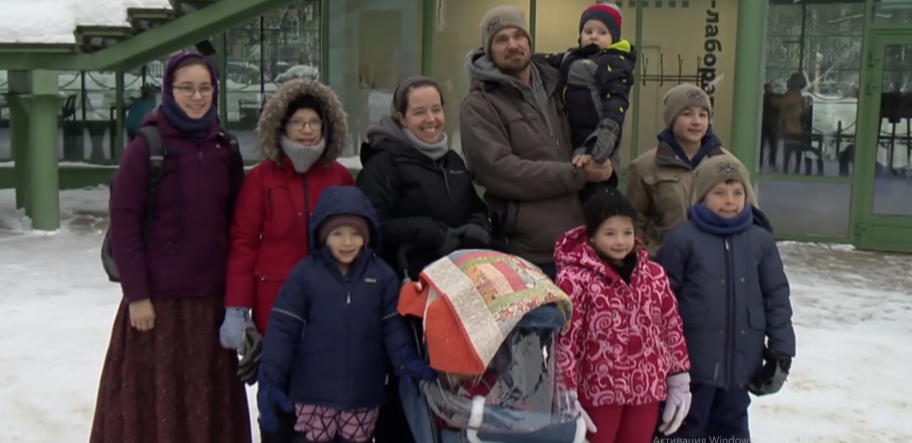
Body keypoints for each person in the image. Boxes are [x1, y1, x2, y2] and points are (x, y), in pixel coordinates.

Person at [90, 51, 250, 443]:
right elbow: (124, 225)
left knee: (207, 407)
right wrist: (137, 296)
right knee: (153, 408)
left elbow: (238, 225)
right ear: (169, 90)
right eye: (186, 88)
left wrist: (236, 301)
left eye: (205, 88)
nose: (197, 97)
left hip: (210, 306)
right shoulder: (147, 146)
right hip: (157, 310)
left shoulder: (224, 146)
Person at [356, 75, 491, 443]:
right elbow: (369, 225)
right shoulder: (384, 163)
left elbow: (474, 207)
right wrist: (427, 231)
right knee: (410, 386)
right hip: (408, 294)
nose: (430, 119)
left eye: (436, 110)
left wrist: (478, 227)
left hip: (455, 294)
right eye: (419, 112)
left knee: (451, 384)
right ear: (401, 117)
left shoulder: (453, 161)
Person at [219, 78, 355, 441]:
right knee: (277, 406)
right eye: (298, 122)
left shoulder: (339, 177)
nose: (307, 130)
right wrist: (237, 309)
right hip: (274, 308)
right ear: (281, 125)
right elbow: (243, 244)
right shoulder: (261, 179)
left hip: (329, 309)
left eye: (314, 122)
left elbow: (358, 240)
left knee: (325, 406)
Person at [256, 186, 437, 443]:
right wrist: (271, 377)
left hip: (362, 394)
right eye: (337, 234)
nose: (347, 242)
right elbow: (283, 328)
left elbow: (393, 327)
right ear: (322, 235)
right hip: (314, 394)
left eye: (355, 234)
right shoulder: (305, 275)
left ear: (367, 236)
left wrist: (405, 358)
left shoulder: (382, 276)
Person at [461, 5, 614, 279]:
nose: (513, 44)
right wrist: (577, 174)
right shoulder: (480, 104)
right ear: (488, 49)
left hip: (584, 245)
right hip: (527, 253)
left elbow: (598, 125)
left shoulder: (561, 83)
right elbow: (499, 171)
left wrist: (606, 164)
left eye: (518, 36)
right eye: (501, 39)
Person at [654, 156, 796, 440]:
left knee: (731, 430)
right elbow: (660, 302)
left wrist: (781, 351)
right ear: (701, 196)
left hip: (741, 368)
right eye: (719, 192)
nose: (730, 201)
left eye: (737, 192)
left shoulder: (760, 241)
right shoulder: (682, 239)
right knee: (683, 429)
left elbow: (776, 297)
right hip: (691, 368)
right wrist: (659, 356)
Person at [554, 188, 691, 443]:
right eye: (610, 233)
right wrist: (565, 391)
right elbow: (565, 340)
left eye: (627, 232)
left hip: (646, 389)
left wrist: (679, 377)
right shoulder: (574, 279)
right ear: (592, 236)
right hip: (597, 392)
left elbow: (670, 326)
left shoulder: (653, 275)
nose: (620, 241)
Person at [625, 83, 757, 257]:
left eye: (703, 115)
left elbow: (752, 216)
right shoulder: (646, 166)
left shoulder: (729, 165)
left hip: (715, 261)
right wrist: (639, 260)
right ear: (671, 118)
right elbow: (634, 220)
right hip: (663, 261)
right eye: (687, 114)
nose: (696, 121)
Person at [535, 3, 636, 202]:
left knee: (596, 198)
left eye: (602, 32)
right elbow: (547, 60)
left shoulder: (615, 63)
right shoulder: (571, 57)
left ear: (614, 38)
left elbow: (616, 102)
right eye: (588, 31)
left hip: (594, 141)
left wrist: (603, 138)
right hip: (570, 141)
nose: (594, 36)